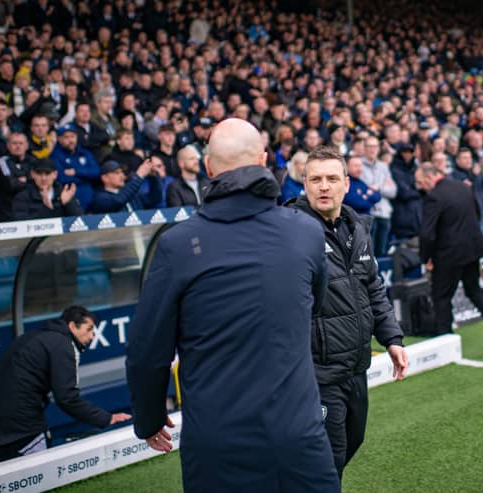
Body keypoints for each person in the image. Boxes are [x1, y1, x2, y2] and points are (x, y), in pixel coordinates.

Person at [126, 118, 340, 493]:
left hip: (218, 445)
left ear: (208, 168)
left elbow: (147, 352)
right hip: (298, 436)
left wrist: (149, 418)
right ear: (263, 160)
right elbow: (313, 306)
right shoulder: (305, 231)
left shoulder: (178, 245)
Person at [287, 146, 408, 481]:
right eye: (316, 179)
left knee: (353, 441)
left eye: (331, 178)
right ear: (305, 185)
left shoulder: (357, 227)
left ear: (346, 185)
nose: (323, 186)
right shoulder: (290, 231)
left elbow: (373, 290)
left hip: (356, 367)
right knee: (328, 461)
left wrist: (392, 339)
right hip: (317, 373)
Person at [0, 305, 131, 463]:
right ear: (72, 326)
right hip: (20, 423)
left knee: (7, 478)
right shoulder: (63, 344)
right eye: (89, 329)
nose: (92, 336)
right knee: (36, 474)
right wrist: (107, 418)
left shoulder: (39, 336)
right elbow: (67, 398)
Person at [414, 162, 483, 348]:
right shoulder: (462, 186)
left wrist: (426, 257)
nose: (420, 187)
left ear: (429, 177)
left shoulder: (434, 197)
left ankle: (446, 342)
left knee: (441, 297)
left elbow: (427, 233)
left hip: (448, 254)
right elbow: (476, 211)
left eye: (420, 182)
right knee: (474, 288)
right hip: (471, 248)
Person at [361, 136, 397, 257]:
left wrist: (377, 187)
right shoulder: (358, 165)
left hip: (384, 213)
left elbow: (393, 191)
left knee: (382, 253)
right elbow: (363, 191)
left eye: (375, 146)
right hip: (368, 213)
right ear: (364, 148)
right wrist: (381, 186)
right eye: (369, 146)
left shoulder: (383, 166)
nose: (372, 149)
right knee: (368, 254)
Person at [12, 158, 82, 220]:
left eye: (47, 173)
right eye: (39, 173)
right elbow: (21, 225)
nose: (43, 178)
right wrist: (46, 209)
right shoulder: (22, 197)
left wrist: (68, 203)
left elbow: (80, 221)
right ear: (32, 174)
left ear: (55, 174)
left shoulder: (64, 193)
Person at [89, 159, 162, 213]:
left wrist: (153, 177)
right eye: (117, 173)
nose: (122, 175)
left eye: (122, 172)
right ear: (105, 178)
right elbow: (119, 200)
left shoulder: (132, 195)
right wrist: (139, 175)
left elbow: (155, 199)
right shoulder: (100, 198)